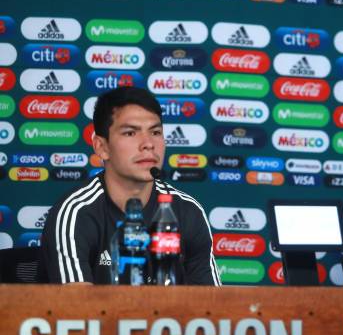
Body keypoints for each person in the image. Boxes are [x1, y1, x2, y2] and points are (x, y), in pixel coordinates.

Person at [41, 87, 221, 286]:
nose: (148, 144)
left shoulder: (188, 211)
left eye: (155, 132)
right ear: (102, 147)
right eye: (130, 133)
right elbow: (76, 310)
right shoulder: (76, 212)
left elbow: (210, 308)